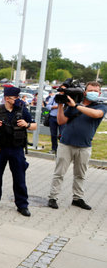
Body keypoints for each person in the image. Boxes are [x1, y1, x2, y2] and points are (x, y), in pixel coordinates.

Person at [48, 81, 106, 210]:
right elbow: (61, 121)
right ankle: (53, 197)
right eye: (90, 90)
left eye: (96, 91)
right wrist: (60, 106)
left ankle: (77, 198)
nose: (93, 93)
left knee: (80, 175)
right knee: (59, 173)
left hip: (84, 146)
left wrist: (76, 105)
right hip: (66, 144)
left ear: (100, 93)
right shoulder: (72, 105)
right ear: (84, 92)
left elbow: (96, 115)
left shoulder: (100, 107)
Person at [0, 86, 36, 217]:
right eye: (15, 97)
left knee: (19, 178)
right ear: (7, 98)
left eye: (18, 97)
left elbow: (34, 125)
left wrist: (26, 124)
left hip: (16, 149)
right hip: (0, 148)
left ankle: (22, 205)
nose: (18, 100)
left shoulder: (22, 111)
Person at [46, 90, 64, 155]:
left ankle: (61, 150)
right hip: (53, 117)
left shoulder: (67, 97)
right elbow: (48, 106)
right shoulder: (54, 97)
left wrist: (61, 106)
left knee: (62, 135)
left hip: (62, 118)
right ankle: (54, 149)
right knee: (53, 134)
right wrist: (55, 107)